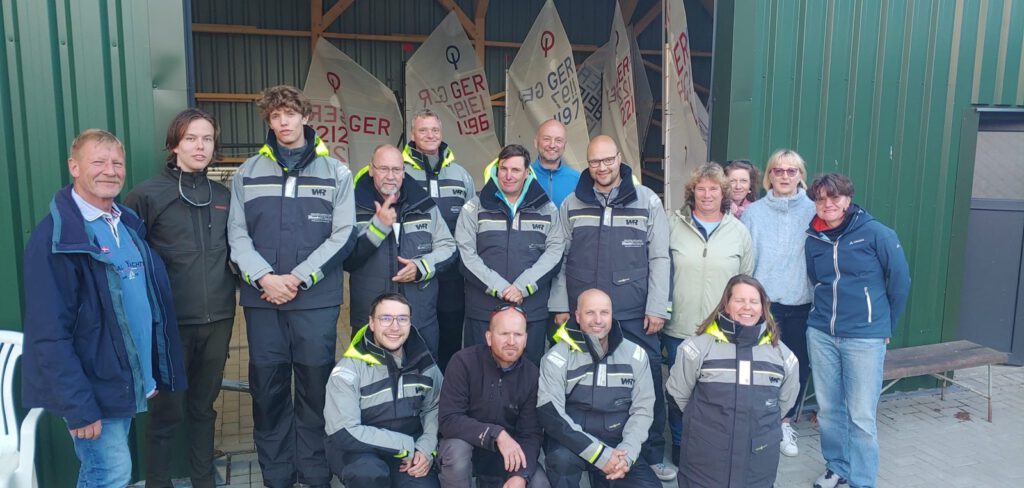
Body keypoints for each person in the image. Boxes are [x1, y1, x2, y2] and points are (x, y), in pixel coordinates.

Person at [22, 129, 186, 487]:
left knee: (109, 473)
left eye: (117, 163)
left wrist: (147, 372)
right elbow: (49, 334)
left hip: (121, 382)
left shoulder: (125, 223)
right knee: (108, 475)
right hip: (92, 391)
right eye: (98, 162)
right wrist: (79, 407)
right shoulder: (56, 238)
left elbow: (142, 307)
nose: (109, 170)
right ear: (74, 167)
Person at [227, 84, 355, 488]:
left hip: (315, 303)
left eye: (289, 113)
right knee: (269, 393)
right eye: (275, 116)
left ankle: (315, 474)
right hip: (264, 301)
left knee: (315, 392)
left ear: (304, 116)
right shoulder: (246, 174)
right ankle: (277, 476)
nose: (283, 121)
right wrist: (264, 277)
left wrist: (298, 278)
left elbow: (344, 234)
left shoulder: (336, 172)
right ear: (269, 121)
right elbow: (237, 236)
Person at [548, 135, 674, 481]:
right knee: (579, 377)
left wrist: (657, 305)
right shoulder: (572, 204)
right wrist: (560, 303)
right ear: (587, 164)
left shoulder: (646, 200)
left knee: (645, 375)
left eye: (608, 160)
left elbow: (660, 257)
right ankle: (581, 449)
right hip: (582, 313)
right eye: (594, 162)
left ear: (620, 158)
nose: (602, 168)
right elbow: (560, 256)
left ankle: (648, 453)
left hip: (633, 311)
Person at [124, 109, 236, 488]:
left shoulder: (223, 196)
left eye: (206, 138)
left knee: (204, 409)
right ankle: (158, 482)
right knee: (166, 412)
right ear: (174, 144)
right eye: (191, 138)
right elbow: (129, 259)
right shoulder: (146, 195)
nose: (200, 146)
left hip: (218, 319)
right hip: (168, 326)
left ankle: (203, 480)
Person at [804, 173, 911, 488]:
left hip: (864, 337)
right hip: (822, 333)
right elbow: (817, 280)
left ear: (848, 199)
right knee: (828, 409)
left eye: (834, 197)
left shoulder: (876, 233)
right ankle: (837, 467)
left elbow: (900, 281)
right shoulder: (814, 238)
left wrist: (884, 325)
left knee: (861, 416)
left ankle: (862, 480)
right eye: (821, 199)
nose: (828, 204)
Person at [665, 274, 799, 488]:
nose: (747, 307)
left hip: (757, 464)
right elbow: (677, 396)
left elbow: (784, 405)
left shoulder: (784, 357)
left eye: (754, 301)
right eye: (739, 300)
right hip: (705, 461)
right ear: (726, 304)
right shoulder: (697, 349)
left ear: (763, 307)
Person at [664, 162, 754, 461]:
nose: (706, 194)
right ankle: (680, 447)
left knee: (716, 394)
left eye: (713, 188)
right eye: (700, 188)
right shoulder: (672, 226)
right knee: (680, 394)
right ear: (692, 192)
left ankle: (711, 449)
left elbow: (745, 282)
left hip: (721, 332)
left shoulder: (738, 232)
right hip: (680, 327)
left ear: (723, 193)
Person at [538, 289, 662, 487]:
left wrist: (626, 456)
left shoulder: (635, 355)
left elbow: (643, 410)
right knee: (560, 460)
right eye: (590, 313)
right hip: (573, 442)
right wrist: (600, 456)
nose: (598, 320)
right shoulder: (557, 357)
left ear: (612, 315)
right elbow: (553, 417)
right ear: (577, 316)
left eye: (604, 313)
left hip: (618, 444)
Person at [456, 144, 565, 365]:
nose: (508, 175)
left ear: (527, 173)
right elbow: (465, 255)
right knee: (479, 373)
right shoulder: (473, 208)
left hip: (530, 310)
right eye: (503, 168)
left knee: (528, 375)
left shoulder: (547, 209)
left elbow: (555, 253)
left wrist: (522, 287)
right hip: (483, 310)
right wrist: (501, 287)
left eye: (515, 170)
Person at [344, 144, 456, 356]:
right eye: (383, 169)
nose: (390, 176)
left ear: (404, 172)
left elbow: (449, 247)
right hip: (370, 319)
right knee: (372, 382)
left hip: (419, 319)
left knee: (423, 380)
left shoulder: (424, 204)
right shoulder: (352, 204)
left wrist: (422, 267)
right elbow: (347, 260)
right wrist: (377, 228)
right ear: (370, 169)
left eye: (396, 170)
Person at [740, 149, 816, 457]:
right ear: (769, 175)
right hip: (764, 307)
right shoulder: (754, 213)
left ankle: (784, 423)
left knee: (796, 367)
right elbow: (746, 260)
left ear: (801, 175)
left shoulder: (814, 210)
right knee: (759, 367)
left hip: (801, 303)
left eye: (791, 171)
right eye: (778, 171)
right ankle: (758, 424)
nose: (784, 176)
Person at [324, 293, 443, 488]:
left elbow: (436, 407)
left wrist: (426, 448)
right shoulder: (348, 370)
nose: (394, 327)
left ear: (410, 323)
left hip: (409, 451)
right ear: (371, 323)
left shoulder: (424, 362)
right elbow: (344, 432)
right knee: (368, 474)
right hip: (360, 452)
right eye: (386, 318)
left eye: (402, 319)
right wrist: (406, 446)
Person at [438, 305, 550, 488]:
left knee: (538, 482)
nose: (511, 341)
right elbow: (448, 420)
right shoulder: (463, 362)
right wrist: (496, 434)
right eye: (504, 334)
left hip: (506, 456)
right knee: (457, 452)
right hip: (468, 447)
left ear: (526, 339)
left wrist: (520, 476)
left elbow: (531, 434)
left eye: (518, 335)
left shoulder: (532, 375)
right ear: (489, 337)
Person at [402, 108, 476, 370]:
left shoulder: (460, 175)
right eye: (423, 130)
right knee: (414, 335)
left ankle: (447, 392)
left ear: (441, 133)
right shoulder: (400, 172)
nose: (430, 135)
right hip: (414, 273)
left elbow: (471, 223)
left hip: (452, 273)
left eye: (434, 130)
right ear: (413, 134)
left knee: (451, 336)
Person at [531, 119, 581, 207]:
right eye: (547, 139)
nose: (552, 145)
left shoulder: (577, 180)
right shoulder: (523, 176)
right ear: (536, 143)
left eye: (558, 140)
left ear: (564, 145)